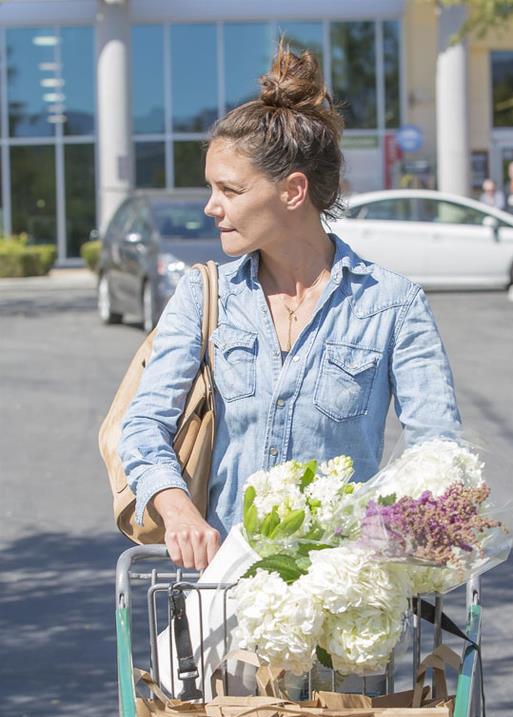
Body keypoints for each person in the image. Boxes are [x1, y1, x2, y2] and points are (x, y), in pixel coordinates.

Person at [118, 43, 461, 570]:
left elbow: (438, 447)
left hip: (345, 592)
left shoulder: (392, 303)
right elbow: (143, 425)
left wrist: (412, 533)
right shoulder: (204, 294)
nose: (212, 206)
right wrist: (179, 510)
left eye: (229, 190)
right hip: (223, 581)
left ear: (294, 191)